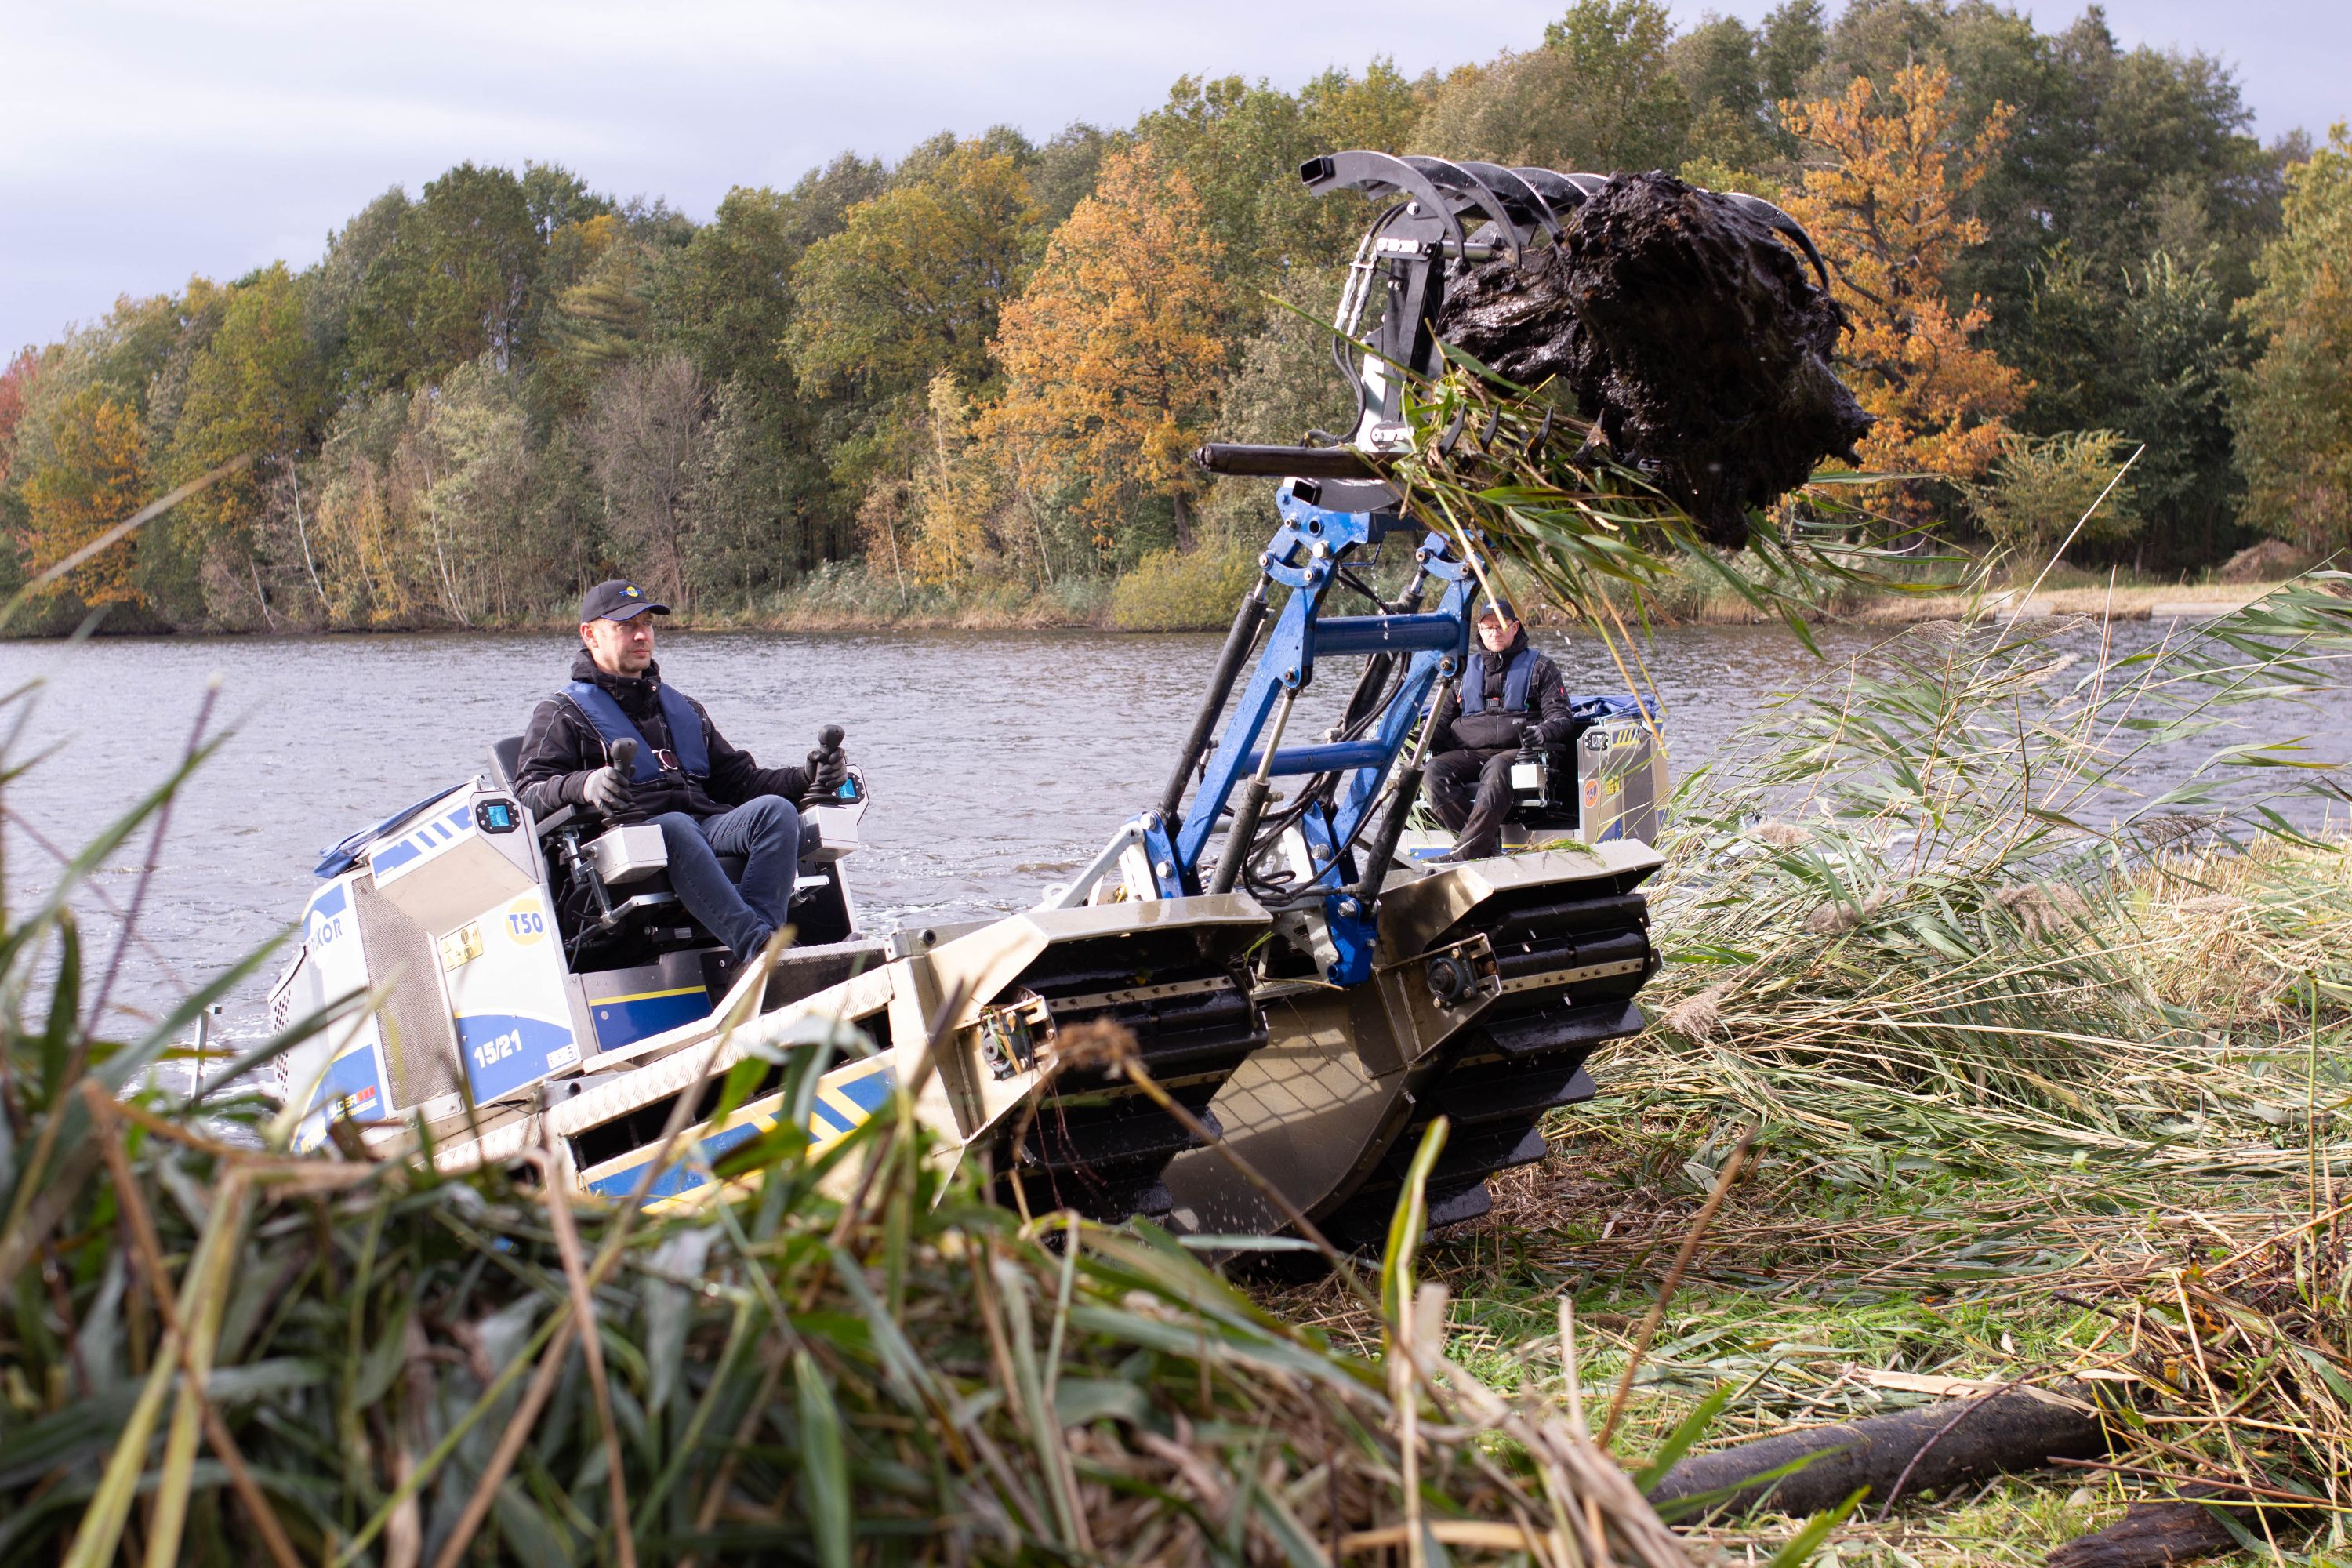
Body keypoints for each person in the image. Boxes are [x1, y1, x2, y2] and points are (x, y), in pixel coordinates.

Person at [513, 579, 850, 961]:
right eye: (626, 627)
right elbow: (527, 793)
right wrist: (587, 783)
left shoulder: (684, 709)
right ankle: (760, 948)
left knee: (776, 811)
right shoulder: (561, 713)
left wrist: (805, 775)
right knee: (675, 825)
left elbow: (741, 782)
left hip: (706, 827)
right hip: (630, 843)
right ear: (590, 635)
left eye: (648, 624)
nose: (642, 635)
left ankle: (764, 947)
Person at [1423, 600, 1574, 862]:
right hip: (1470, 752)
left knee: (1496, 766)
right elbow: (1441, 722)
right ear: (1479, 631)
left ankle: (1466, 852)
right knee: (1434, 771)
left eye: (1501, 626)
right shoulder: (1460, 672)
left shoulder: (1541, 667)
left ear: (1515, 627)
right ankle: (1482, 846)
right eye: (1488, 627)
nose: (1495, 632)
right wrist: (1416, 741)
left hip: (1517, 752)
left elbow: (1562, 718)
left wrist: (1541, 733)